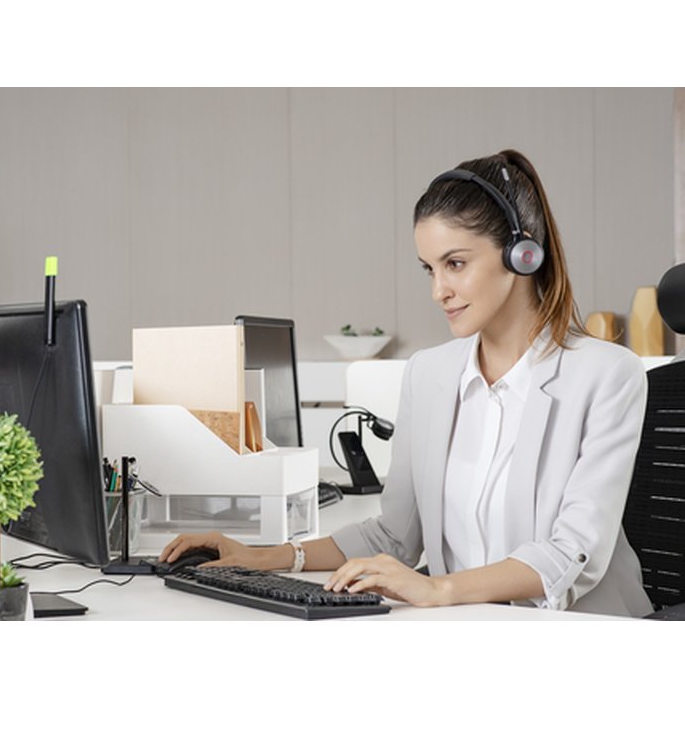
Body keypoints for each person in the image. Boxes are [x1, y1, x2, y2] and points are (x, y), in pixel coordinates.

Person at [159, 149, 653, 617]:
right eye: (429, 269)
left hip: (583, 633)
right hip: (466, 629)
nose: (439, 290)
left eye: (455, 264)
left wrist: (438, 589)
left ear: (522, 255)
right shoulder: (429, 374)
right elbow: (395, 537)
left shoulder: (608, 374)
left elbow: (573, 553)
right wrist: (263, 557)